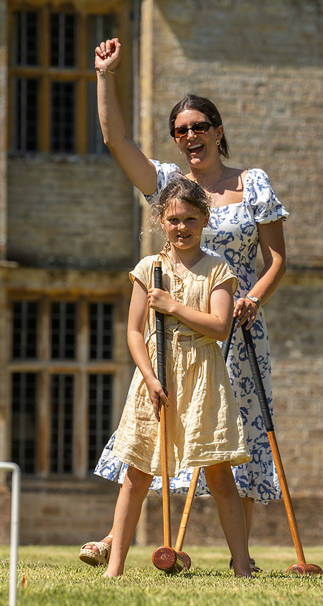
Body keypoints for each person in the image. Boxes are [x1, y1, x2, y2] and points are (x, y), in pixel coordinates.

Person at [79, 37, 287, 570]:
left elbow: (276, 260)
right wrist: (105, 75)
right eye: (181, 131)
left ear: (218, 131)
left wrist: (252, 300)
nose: (190, 136)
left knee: (229, 445)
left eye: (199, 126)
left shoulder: (252, 183)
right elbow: (115, 138)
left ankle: (243, 557)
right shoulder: (169, 188)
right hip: (175, 329)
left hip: (233, 325)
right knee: (161, 435)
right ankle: (122, 543)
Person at [101, 175, 253, 578]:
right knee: (136, 472)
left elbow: (220, 327)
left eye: (190, 219)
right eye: (173, 220)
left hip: (203, 373)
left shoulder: (218, 269)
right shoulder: (149, 268)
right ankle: (114, 566)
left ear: (204, 220)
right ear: (160, 222)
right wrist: (150, 377)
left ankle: (242, 565)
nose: (181, 227)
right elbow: (135, 331)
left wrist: (172, 305)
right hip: (157, 373)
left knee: (219, 471)